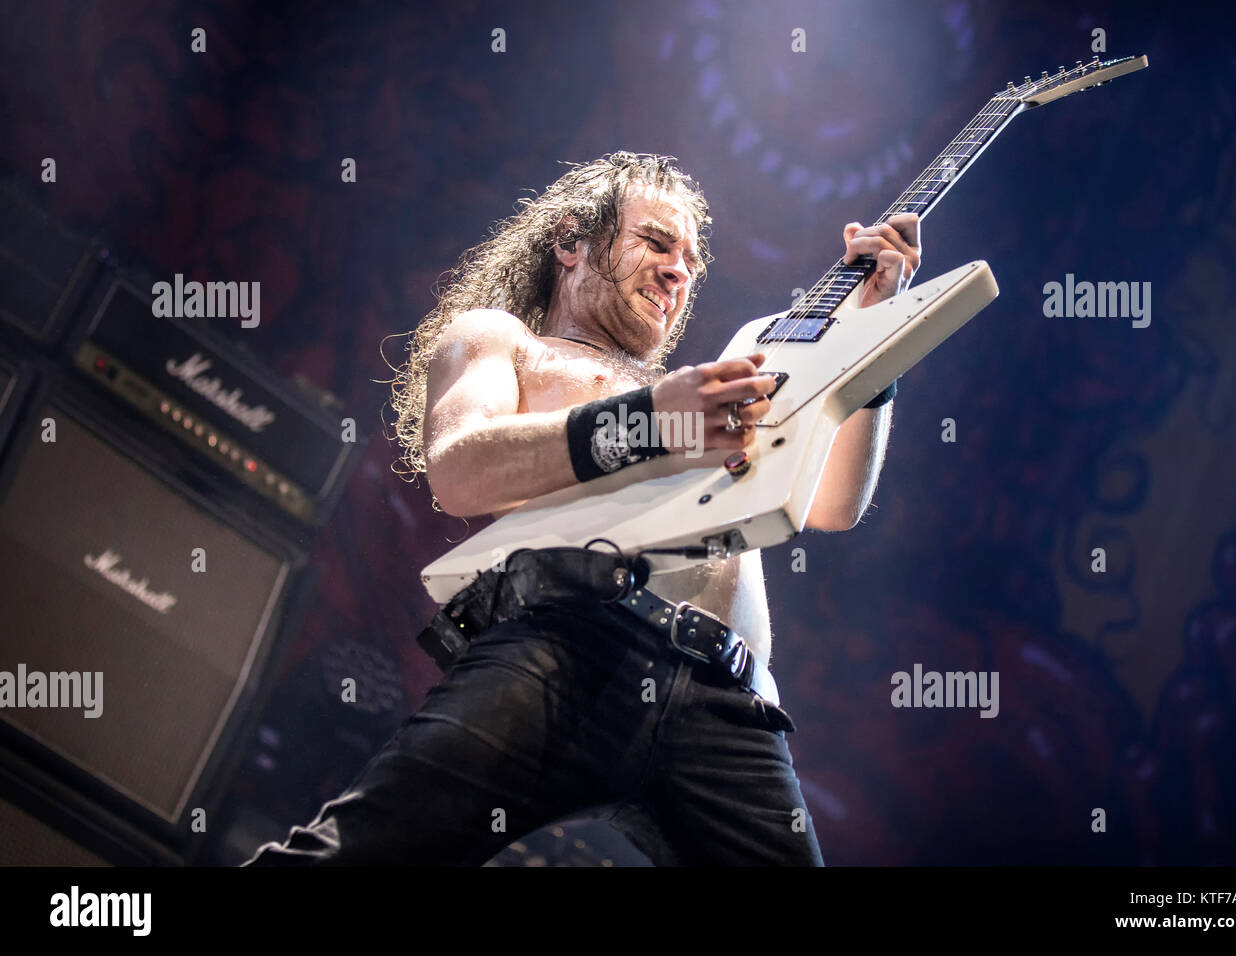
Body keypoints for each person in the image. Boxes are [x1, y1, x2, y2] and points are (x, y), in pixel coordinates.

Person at [244, 151, 920, 866]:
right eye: (656, 242)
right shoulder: (504, 340)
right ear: (570, 241)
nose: (678, 270)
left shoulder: (710, 403)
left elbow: (835, 505)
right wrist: (655, 425)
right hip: (567, 649)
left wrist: (874, 338)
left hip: (730, 699)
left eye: (689, 259)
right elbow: (460, 467)